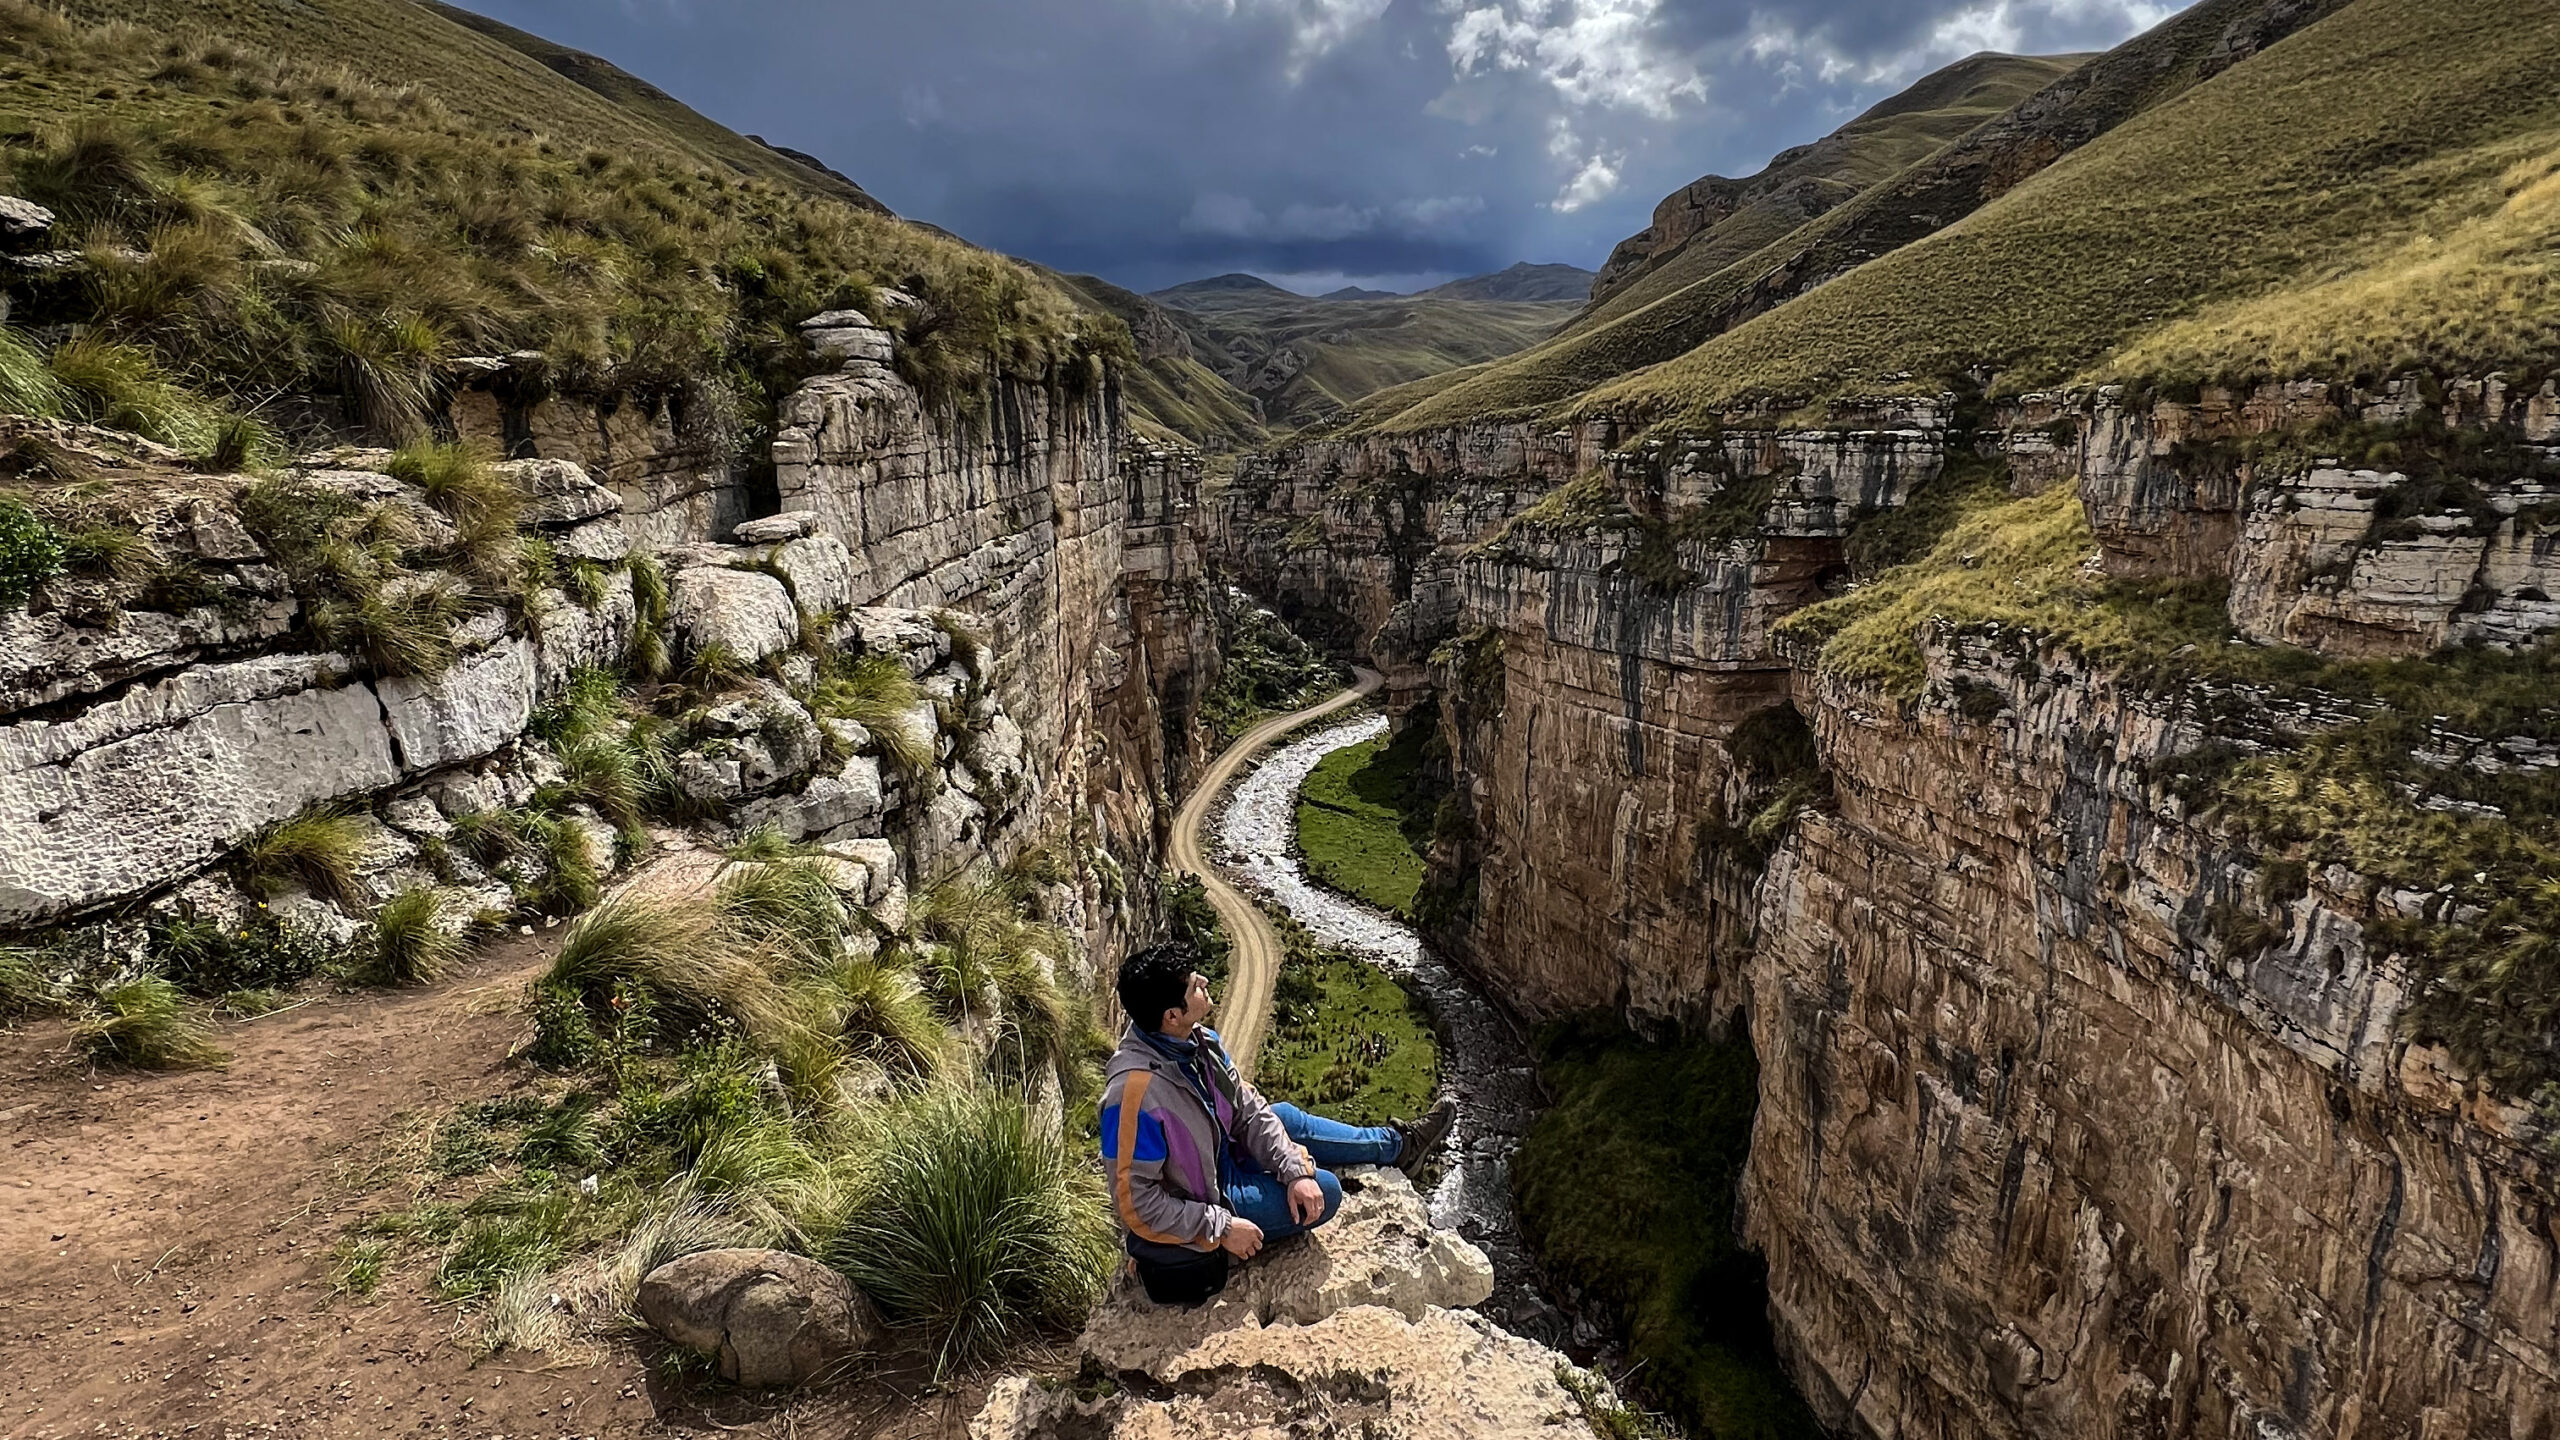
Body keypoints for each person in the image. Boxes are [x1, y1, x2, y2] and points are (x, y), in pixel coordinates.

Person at [1098, 939, 1459, 1305]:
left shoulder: (1197, 1041)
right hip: (1206, 1196)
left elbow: (1248, 1108)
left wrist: (1293, 1171)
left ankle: (1398, 1145)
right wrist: (1222, 1228)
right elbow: (1136, 1205)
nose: (1205, 981)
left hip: (1219, 1152)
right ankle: (1223, 1247)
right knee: (1328, 1193)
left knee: (1284, 1117)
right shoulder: (1132, 1096)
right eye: (1194, 985)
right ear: (1171, 1015)